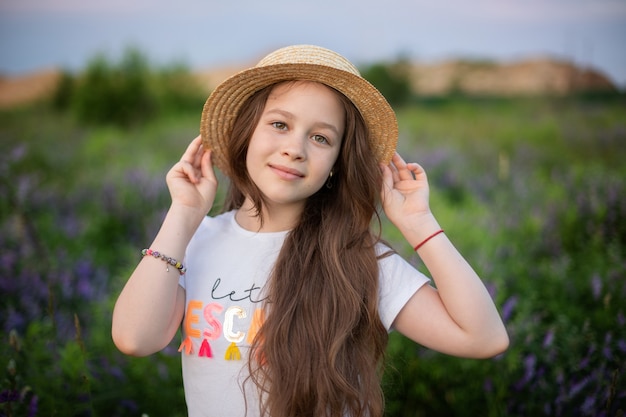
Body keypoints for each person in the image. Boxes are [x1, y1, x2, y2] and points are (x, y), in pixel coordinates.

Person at [112, 44, 509, 417]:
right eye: (280, 124)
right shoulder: (198, 241)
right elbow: (135, 338)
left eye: (321, 137)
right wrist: (183, 214)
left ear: (337, 162)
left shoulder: (355, 258)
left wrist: (419, 224)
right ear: (246, 132)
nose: (295, 148)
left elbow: (483, 338)